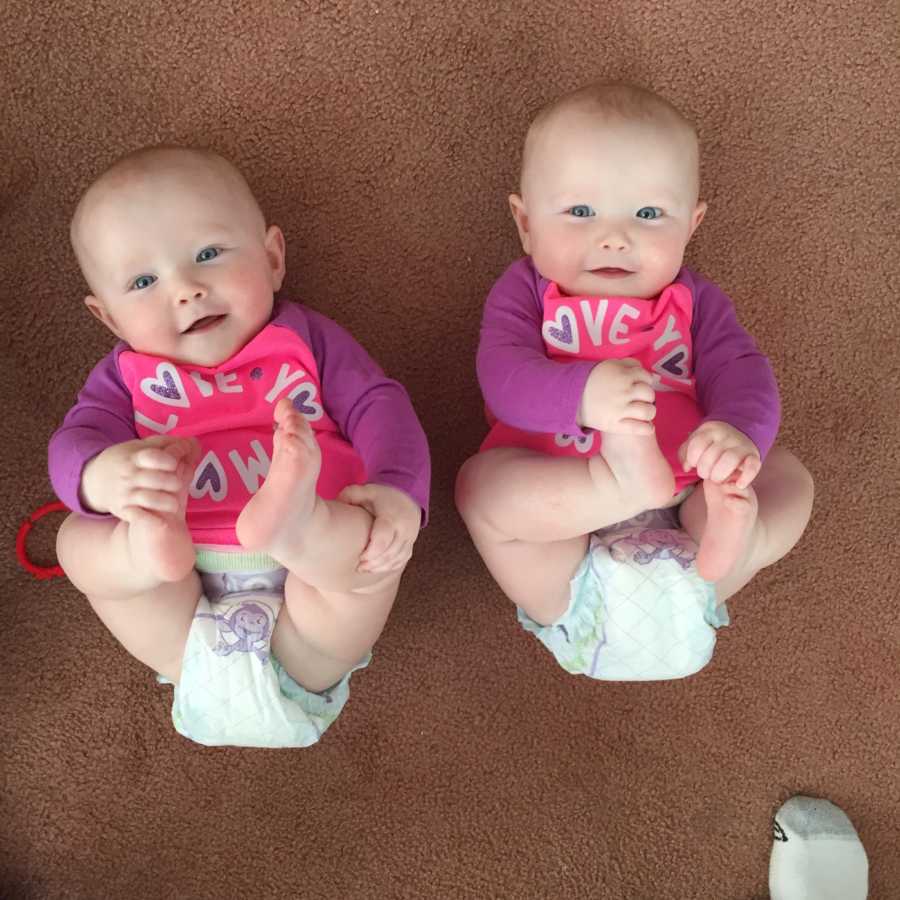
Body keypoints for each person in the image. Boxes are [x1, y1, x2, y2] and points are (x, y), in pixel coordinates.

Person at [49, 146, 430, 746]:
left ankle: (297, 526)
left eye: (207, 255)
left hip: (309, 604)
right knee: (77, 541)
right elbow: (73, 441)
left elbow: (380, 406)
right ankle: (145, 552)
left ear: (273, 258)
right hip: (182, 609)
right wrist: (99, 476)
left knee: (369, 556)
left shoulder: (304, 340)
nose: (186, 290)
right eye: (144, 281)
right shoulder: (124, 378)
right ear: (111, 319)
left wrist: (396, 493)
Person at [455, 83, 814, 674]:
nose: (615, 236)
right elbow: (504, 377)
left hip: (688, 508)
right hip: (565, 539)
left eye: (649, 214)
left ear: (691, 224)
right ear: (525, 223)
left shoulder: (694, 300)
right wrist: (583, 395)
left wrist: (736, 434)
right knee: (484, 489)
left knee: (785, 475)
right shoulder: (527, 293)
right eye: (580, 212)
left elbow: (742, 369)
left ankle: (735, 540)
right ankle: (618, 485)